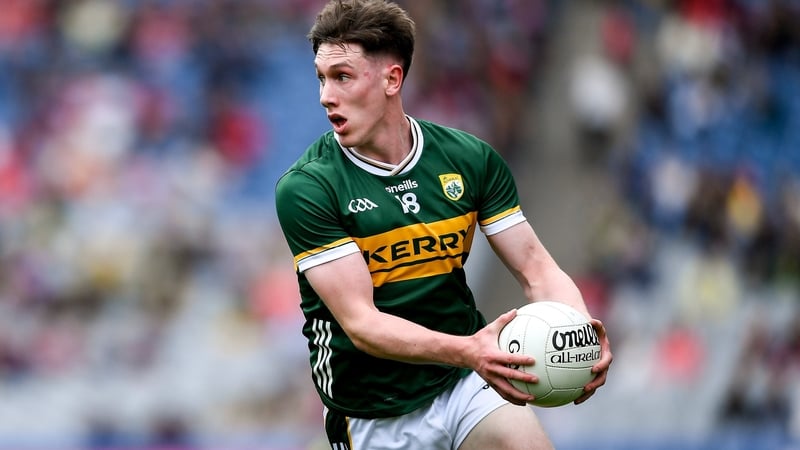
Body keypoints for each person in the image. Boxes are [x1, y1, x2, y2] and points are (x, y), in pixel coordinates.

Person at [274, 1, 613, 448]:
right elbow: (362, 324)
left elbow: (537, 269)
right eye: (321, 78)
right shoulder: (309, 188)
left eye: (342, 77)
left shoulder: (468, 159)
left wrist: (579, 332)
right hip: (374, 411)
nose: (325, 96)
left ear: (392, 78)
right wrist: (471, 350)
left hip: (463, 383)